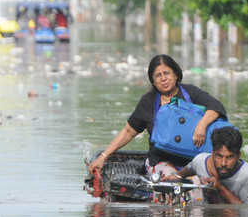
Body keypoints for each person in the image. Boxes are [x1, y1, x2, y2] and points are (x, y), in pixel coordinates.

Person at [87, 54, 227, 176]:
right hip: (161, 162)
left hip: (193, 160)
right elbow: (129, 131)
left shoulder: (191, 93)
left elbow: (216, 107)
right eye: (158, 76)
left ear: (176, 74)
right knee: (172, 182)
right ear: (153, 81)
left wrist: (201, 126)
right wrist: (103, 156)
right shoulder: (148, 101)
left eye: (167, 73)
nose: (163, 79)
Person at [164, 126, 248, 205]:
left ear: (238, 156)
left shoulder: (247, 175)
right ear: (212, 153)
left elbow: (247, 210)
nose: (223, 163)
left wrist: (220, 188)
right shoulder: (200, 162)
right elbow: (185, 171)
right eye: (219, 156)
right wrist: (175, 176)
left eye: (229, 157)